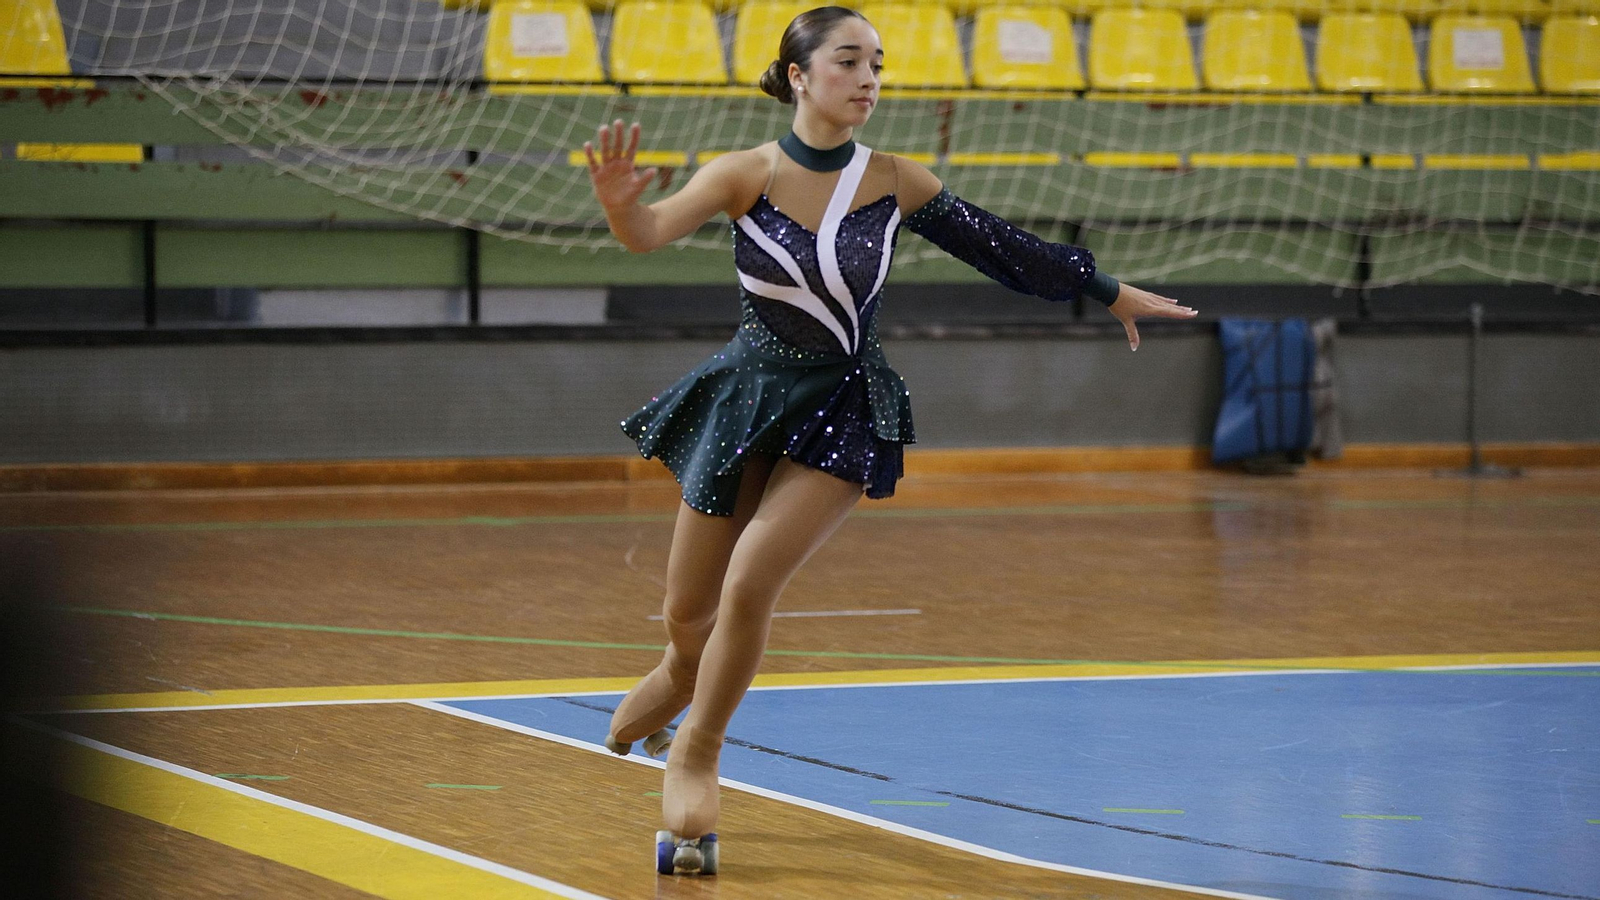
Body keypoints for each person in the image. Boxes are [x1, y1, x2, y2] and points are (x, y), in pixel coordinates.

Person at [582, 5, 1197, 875]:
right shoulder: (741, 174)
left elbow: (1002, 247)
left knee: (753, 580)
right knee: (690, 615)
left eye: (877, 63)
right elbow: (645, 234)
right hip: (748, 394)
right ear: (799, 75)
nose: (868, 78)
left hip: (844, 405)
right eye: (848, 62)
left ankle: (697, 751)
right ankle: (679, 675)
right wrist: (619, 208)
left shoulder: (898, 180)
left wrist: (1106, 288)